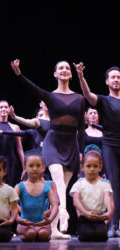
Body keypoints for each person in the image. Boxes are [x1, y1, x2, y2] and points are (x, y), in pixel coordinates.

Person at [11, 59, 85, 237]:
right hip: (53, 141)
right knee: (57, 179)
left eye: (67, 68)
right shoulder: (50, 96)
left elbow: (81, 127)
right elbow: (33, 87)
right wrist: (19, 74)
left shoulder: (79, 98)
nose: (65, 70)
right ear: (55, 74)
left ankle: (53, 230)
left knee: (62, 188)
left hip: (71, 144)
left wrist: (81, 151)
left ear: (71, 73)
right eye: (61, 68)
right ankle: (63, 216)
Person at [74, 62, 120, 237]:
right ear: (107, 81)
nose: (116, 80)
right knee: (114, 183)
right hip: (110, 145)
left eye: (118, 77)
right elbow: (88, 96)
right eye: (113, 77)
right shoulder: (105, 100)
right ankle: (113, 225)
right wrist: (81, 76)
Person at [70, 145, 114, 242]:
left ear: (100, 167)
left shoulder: (104, 184)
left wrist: (109, 213)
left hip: (99, 217)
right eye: (88, 166)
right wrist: (85, 213)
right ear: (82, 167)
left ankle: (98, 229)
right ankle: (83, 231)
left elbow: (108, 199)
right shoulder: (79, 183)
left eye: (95, 166)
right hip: (84, 218)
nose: (92, 169)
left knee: (102, 236)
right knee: (87, 235)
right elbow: (76, 201)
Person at [14, 151, 58, 242]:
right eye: (31, 166)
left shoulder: (46, 187)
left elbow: (55, 205)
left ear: (43, 168)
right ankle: (25, 235)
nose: (35, 169)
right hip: (25, 223)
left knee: (43, 234)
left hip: (42, 223)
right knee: (31, 234)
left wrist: (49, 220)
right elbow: (11, 204)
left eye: (38, 166)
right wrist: (18, 219)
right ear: (24, 168)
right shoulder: (20, 187)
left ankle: (36, 234)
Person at [0, 100, 24, 187]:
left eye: (6, 107)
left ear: (9, 109)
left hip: (11, 161)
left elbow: (19, 148)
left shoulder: (15, 127)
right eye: (1, 107)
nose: (4, 109)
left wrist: (24, 166)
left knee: (10, 186)